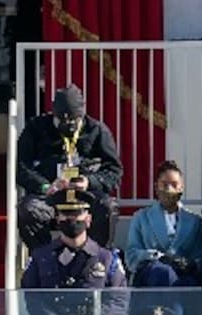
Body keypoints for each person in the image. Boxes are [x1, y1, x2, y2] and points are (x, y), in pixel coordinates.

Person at [15, 84, 123, 248]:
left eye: (74, 120)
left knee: (107, 207)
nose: (68, 124)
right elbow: (21, 167)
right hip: (51, 195)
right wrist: (44, 186)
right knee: (28, 210)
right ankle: (44, 258)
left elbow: (114, 170)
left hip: (85, 195)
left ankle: (95, 256)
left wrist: (89, 182)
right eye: (61, 120)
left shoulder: (97, 131)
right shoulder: (36, 128)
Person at [126, 160, 202, 287]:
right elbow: (131, 256)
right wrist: (156, 256)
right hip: (151, 277)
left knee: (188, 284)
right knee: (163, 273)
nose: (169, 189)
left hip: (182, 277)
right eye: (164, 184)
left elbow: (201, 258)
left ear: (182, 187)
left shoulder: (195, 222)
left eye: (174, 184)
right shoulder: (141, 218)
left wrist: (189, 264)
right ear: (156, 186)